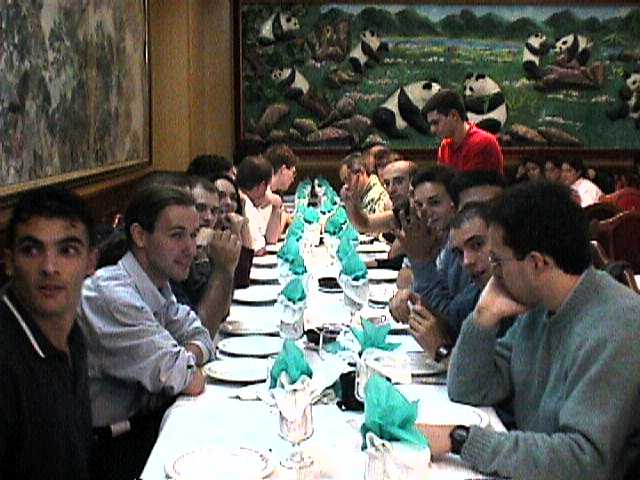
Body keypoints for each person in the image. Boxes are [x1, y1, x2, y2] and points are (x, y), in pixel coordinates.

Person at [419, 181, 640, 480]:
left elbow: (583, 459)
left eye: (498, 260)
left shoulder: (617, 326)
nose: (493, 272)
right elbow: (470, 388)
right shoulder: (539, 308)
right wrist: (482, 317)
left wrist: (461, 439)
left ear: (536, 263)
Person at [79, 185, 215, 480]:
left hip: (140, 430)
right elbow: (188, 378)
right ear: (140, 236)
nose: (191, 249)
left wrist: (182, 360)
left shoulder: (156, 284)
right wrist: (180, 368)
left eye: (193, 235)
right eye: (177, 235)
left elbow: (201, 335)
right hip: (105, 454)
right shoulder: (112, 295)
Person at [1, 186, 97, 480]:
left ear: (91, 262)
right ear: (9, 262)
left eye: (67, 250)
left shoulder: (73, 336)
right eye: (32, 250)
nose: (49, 267)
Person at [408, 202, 494, 358]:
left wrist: (441, 350)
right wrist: (415, 306)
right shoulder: (472, 295)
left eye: (477, 245)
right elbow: (448, 325)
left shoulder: (522, 303)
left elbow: (485, 373)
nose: (467, 261)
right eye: (459, 253)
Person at [172, 176, 241, 323]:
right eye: (200, 208)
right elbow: (201, 326)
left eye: (214, 211)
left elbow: (222, 312)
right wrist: (222, 268)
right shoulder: (175, 253)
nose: (208, 217)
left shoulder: (211, 245)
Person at [423, 89, 504, 174]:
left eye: (436, 123)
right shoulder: (445, 146)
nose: (432, 129)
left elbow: (469, 182)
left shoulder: (483, 143)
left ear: (454, 115)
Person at [236, 155, 284, 253]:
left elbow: (271, 239)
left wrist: (277, 204)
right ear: (261, 186)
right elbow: (258, 248)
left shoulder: (251, 201)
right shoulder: (244, 203)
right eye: (267, 186)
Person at [341, 151, 391, 215]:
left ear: (361, 172)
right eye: (344, 181)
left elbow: (364, 221)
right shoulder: (360, 195)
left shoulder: (377, 195)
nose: (346, 185)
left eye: (348, 179)